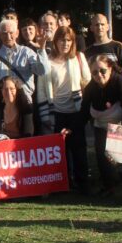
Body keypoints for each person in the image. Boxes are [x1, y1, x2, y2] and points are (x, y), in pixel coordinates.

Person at [36, 26, 91, 193]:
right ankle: (64, 184)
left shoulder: (78, 58)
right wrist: (45, 114)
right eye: (62, 40)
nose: (65, 43)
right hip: (56, 112)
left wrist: (85, 105)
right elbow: (41, 89)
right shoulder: (48, 61)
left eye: (68, 40)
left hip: (76, 111)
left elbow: (88, 81)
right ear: (56, 42)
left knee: (79, 149)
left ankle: (83, 185)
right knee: (60, 151)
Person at [77, 54, 122, 198]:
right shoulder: (91, 88)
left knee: (121, 158)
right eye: (94, 72)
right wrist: (72, 128)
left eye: (102, 70)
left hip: (121, 123)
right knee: (102, 158)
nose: (99, 75)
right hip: (100, 125)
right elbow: (84, 112)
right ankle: (109, 187)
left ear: (110, 68)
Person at [0, 19, 50, 113]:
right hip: (3, 105)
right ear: (0, 34)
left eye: (11, 33)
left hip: (24, 103)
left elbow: (43, 71)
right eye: (4, 33)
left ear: (17, 33)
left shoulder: (26, 52)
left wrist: (42, 49)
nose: (8, 37)